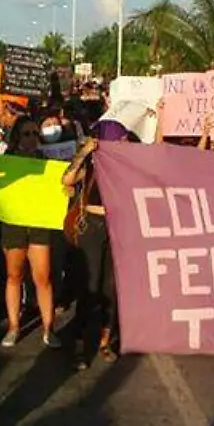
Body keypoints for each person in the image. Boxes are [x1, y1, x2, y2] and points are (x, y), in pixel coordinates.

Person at [62, 123, 131, 370]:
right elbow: (67, 179)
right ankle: (80, 342)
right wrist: (83, 153)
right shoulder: (93, 165)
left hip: (118, 227)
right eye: (119, 139)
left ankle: (104, 341)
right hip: (92, 226)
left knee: (111, 287)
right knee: (89, 287)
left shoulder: (127, 167)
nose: (124, 144)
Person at [0, 117, 61, 349]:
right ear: (17, 137)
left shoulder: (45, 161)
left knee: (43, 277)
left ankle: (48, 328)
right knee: (14, 275)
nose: (33, 139)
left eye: (36, 134)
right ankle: (14, 327)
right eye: (27, 134)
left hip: (38, 224)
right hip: (14, 223)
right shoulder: (7, 160)